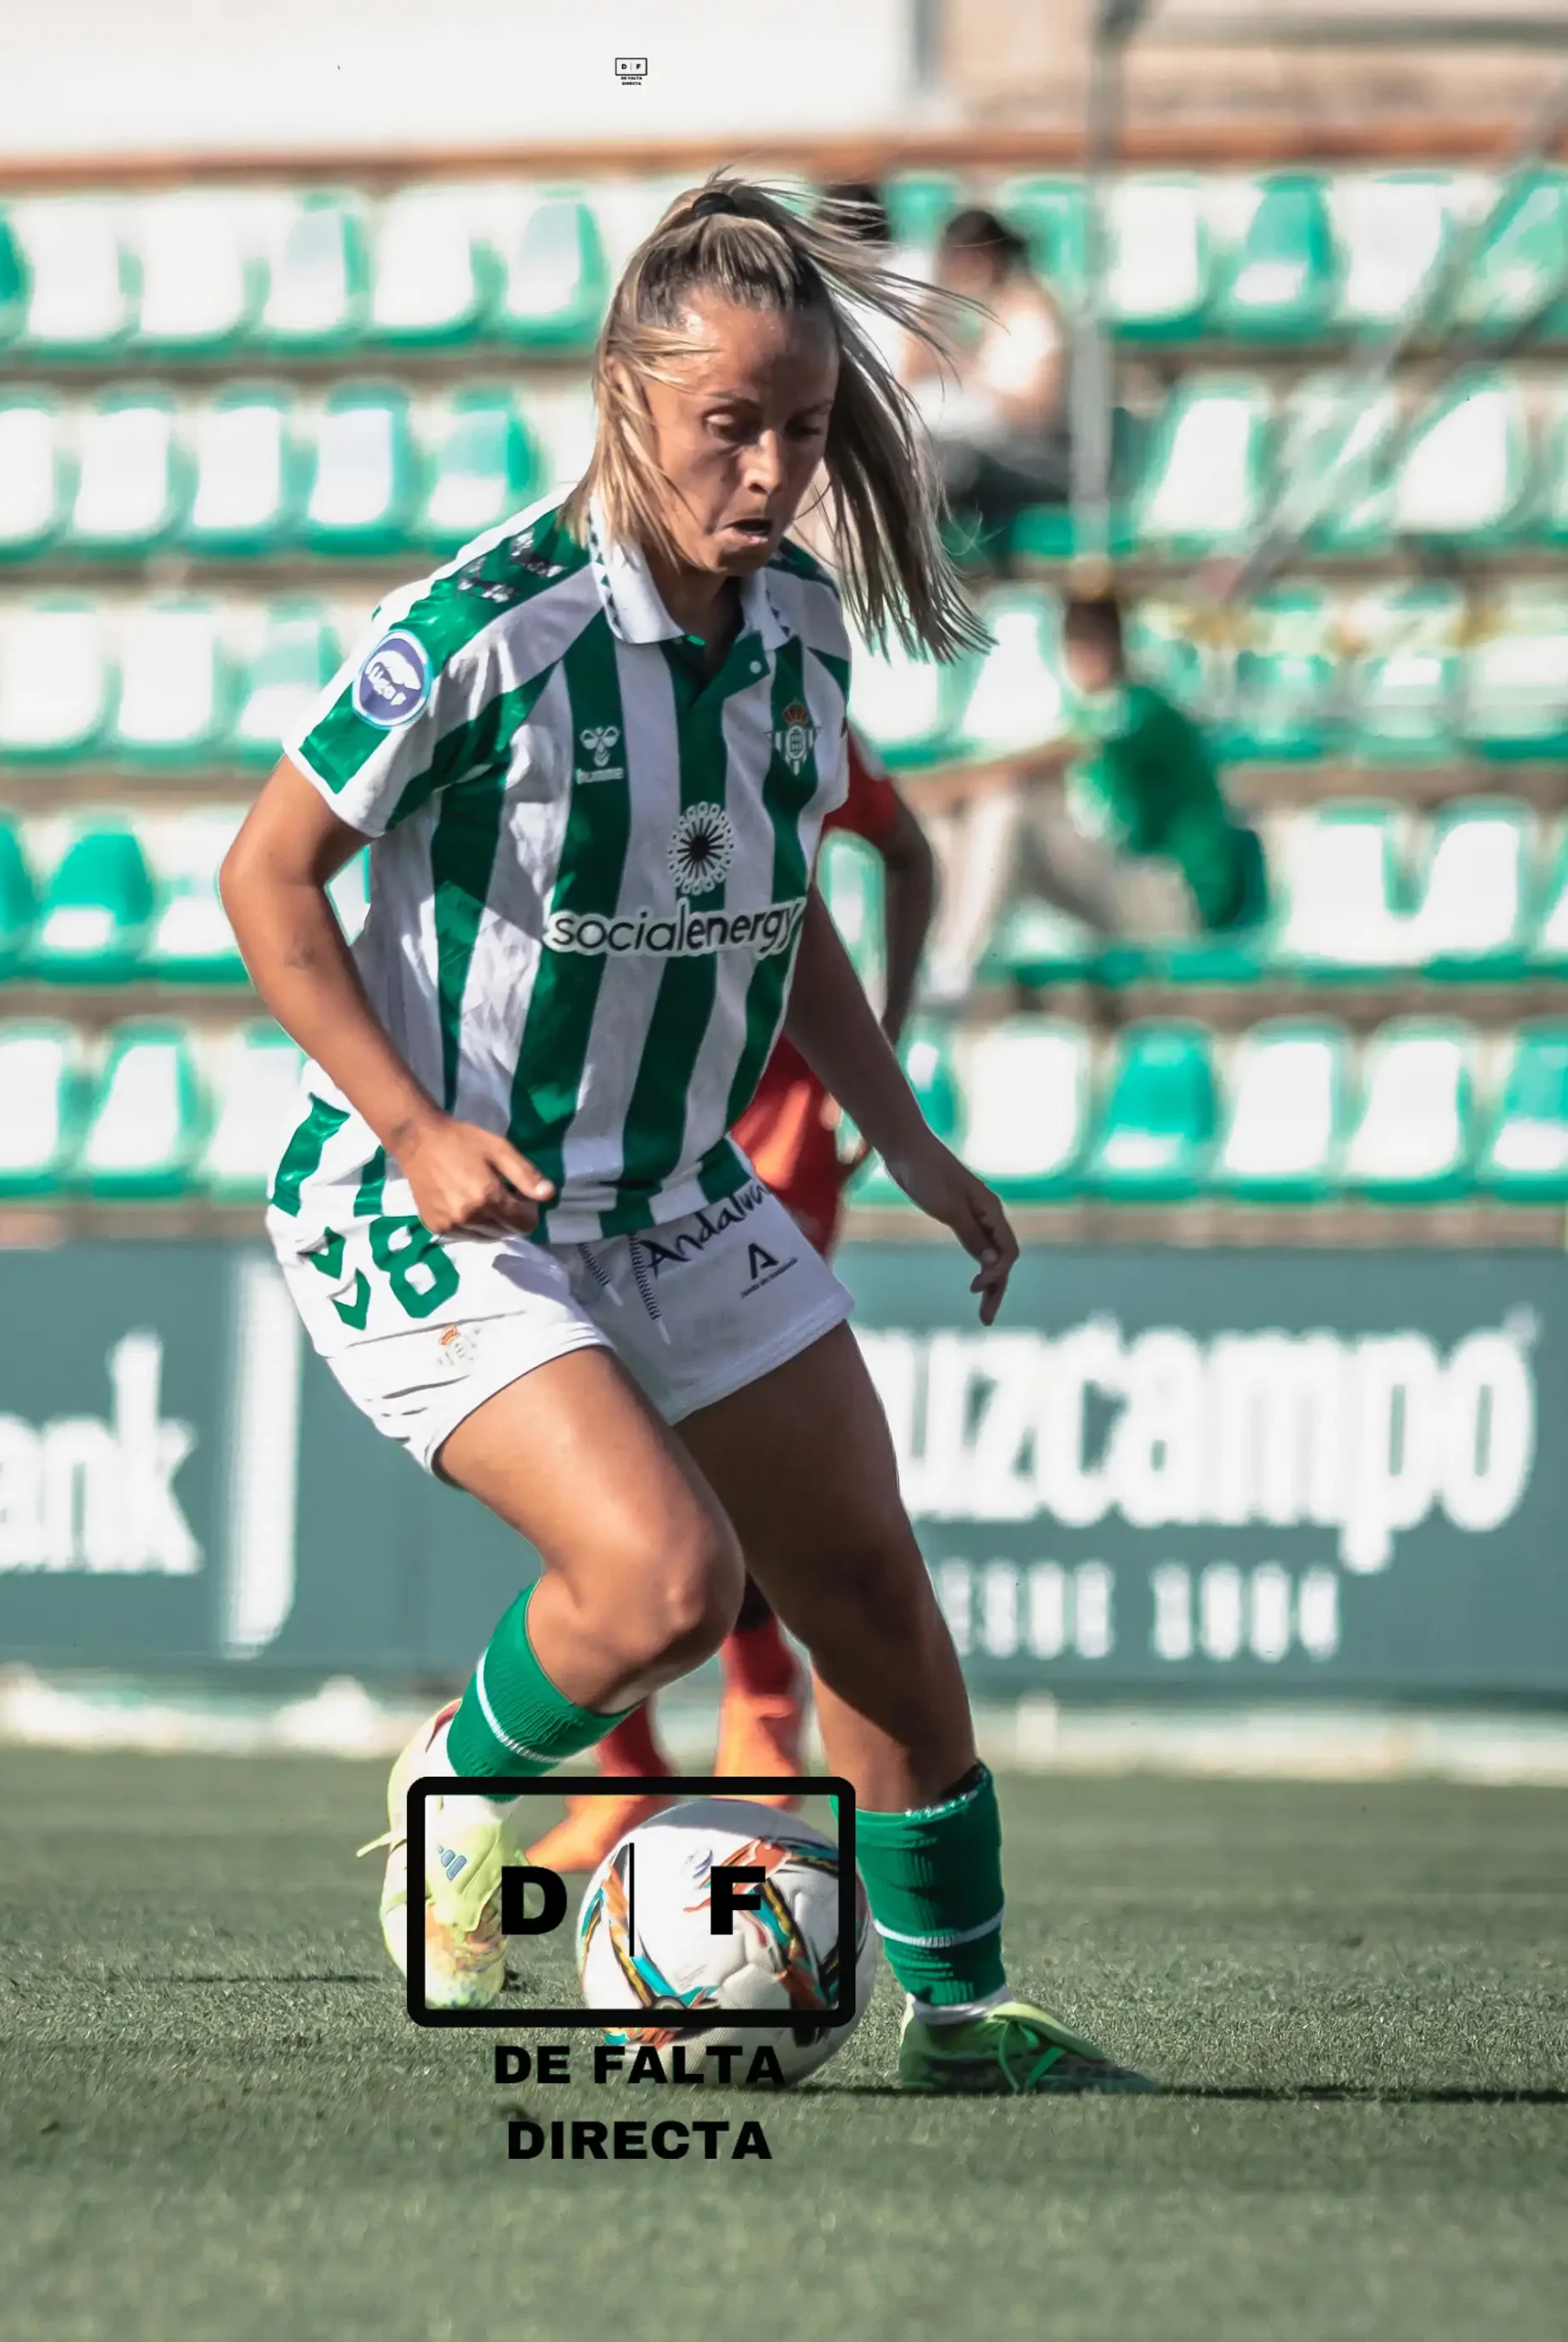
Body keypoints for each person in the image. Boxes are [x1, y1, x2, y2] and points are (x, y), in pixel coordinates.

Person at [220, 172, 1147, 2093]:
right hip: (439, 1196)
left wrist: (902, 1131)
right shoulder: (487, 623)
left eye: (802, 428)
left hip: (676, 1193)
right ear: (627, 395)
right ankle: (460, 1788)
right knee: (663, 1584)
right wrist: (409, 1125)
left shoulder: (798, 622)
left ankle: (961, 2018)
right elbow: (265, 875)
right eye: (732, 423)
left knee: (870, 1599)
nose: (774, 470)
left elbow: (774, 903)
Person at [522, 722, 939, 1878]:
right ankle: (625, 1773)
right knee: (584, 1444)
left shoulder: (788, 714)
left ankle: (760, 1717)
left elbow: (908, 854)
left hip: (766, 1139)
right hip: (608, 1139)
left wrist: (882, 1057)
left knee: (725, 1442)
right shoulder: (568, 706)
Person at [926, 589, 1267, 1006]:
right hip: (1125, 887)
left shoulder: (1145, 708)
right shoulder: (1087, 710)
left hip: (1177, 901)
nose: (1087, 652)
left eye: (1097, 638)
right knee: (964, 817)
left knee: (1007, 809)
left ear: (1118, 643)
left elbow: (1056, 755)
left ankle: (953, 966)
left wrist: (940, 788)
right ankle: (940, 960)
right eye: (1077, 639)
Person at [908, 206, 1069, 564]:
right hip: (966, 446)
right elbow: (909, 375)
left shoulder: (1033, 312)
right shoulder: (962, 313)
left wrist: (982, 393)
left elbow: (1040, 414)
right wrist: (930, 317)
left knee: (946, 463)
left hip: (1031, 458)